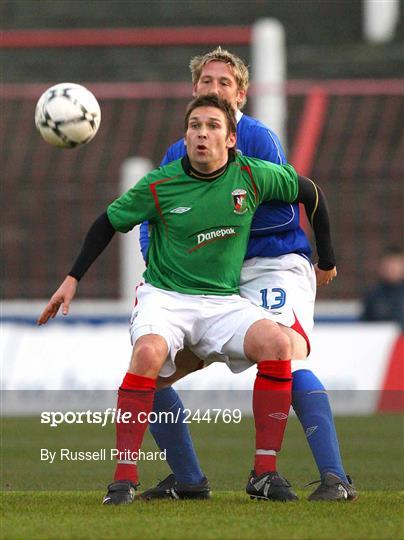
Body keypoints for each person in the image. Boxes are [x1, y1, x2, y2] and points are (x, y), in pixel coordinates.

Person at [38, 95, 335, 505]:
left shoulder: (252, 175)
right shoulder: (160, 184)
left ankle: (264, 473)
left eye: (213, 126)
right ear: (186, 135)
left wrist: (327, 261)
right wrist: (71, 279)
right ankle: (123, 479)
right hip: (166, 298)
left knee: (279, 345)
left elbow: (310, 192)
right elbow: (108, 221)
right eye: (195, 125)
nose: (202, 133)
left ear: (231, 138)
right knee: (147, 354)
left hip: (222, 302)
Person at [139, 47, 357, 502]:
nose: (213, 90)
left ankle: (335, 478)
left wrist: (206, 236)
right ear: (193, 90)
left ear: (241, 94)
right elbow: (153, 219)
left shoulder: (258, 139)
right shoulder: (177, 151)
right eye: (206, 83)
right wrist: (162, 267)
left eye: (224, 84)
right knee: (151, 374)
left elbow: (282, 217)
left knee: (286, 359)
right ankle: (188, 479)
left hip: (270, 268)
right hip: (212, 284)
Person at [361, 246, 404, 328]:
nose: (392, 268)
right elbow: (364, 326)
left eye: (396, 263)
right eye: (389, 264)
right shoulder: (373, 295)